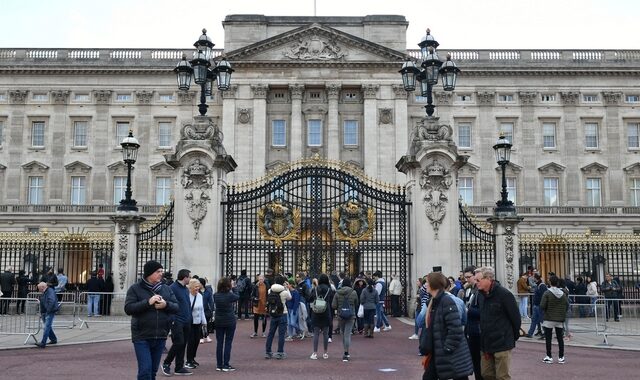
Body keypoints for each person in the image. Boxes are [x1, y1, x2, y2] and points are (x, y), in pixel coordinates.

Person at [124, 260, 178, 380]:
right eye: (158, 271)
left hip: (160, 335)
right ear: (149, 273)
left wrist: (166, 305)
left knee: (153, 371)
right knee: (145, 371)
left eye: (161, 271)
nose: (161, 274)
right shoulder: (135, 289)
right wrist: (148, 302)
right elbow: (128, 308)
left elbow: (176, 307)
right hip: (142, 336)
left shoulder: (166, 289)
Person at [419, 272, 473, 380]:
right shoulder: (433, 301)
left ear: (434, 285)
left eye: (428, 283)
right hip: (438, 350)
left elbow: (455, 328)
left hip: (448, 351)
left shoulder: (446, 301)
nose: (425, 285)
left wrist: (447, 348)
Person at [475, 266, 521, 380]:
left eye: (478, 280)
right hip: (486, 343)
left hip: (502, 342)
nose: (476, 283)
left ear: (488, 279)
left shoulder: (504, 294)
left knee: (502, 377)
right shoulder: (480, 295)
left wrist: (511, 337)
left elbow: (515, 318)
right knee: (486, 374)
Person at [162, 269, 193, 376]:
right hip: (177, 321)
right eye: (189, 277)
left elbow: (187, 304)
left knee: (183, 344)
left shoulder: (185, 289)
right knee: (178, 342)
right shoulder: (172, 288)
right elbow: (168, 305)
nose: (190, 278)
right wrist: (173, 319)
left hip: (186, 320)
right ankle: (166, 363)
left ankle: (179, 367)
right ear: (185, 278)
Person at [540, 275, 569, 364]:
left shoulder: (547, 293)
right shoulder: (563, 294)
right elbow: (567, 305)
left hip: (549, 318)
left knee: (548, 338)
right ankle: (561, 357)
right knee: (560, 338)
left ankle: (549, 356)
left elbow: (542, 305)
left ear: (550, 282)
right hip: (559, 319)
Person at [213, 277, 239, 371]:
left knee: (219, 343)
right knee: (228, 342)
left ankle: (219, 365)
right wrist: (234, 287)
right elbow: (237, 296)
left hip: (219, 320)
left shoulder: (216, 295)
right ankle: (226, 364)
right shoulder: (229, 295)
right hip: (229, 320)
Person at [462, 266, 483, 380]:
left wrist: (468, 310)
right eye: (465, 277)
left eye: (469, 277)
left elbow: (483, 311)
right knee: (474, 362)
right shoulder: (469, 289)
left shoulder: (480, 291)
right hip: (470, 330)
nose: (467, 280)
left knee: (480, 364)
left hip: (479, 331)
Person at [264, 275, 292, 359]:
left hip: (273, 313)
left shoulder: (270, 290)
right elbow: (290, 298)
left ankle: (268, 351)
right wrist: (287, 288)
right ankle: (280, 352)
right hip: (282, 313)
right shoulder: (284, 291)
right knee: (281, 334)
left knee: (271, 333)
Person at [331, 277, 358, 362]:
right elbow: (356, 303)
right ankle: (346, 352)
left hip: (341, 315)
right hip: (351, 315)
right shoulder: (353, 292)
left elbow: (333, 306)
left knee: (343, 333)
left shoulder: (338, 293)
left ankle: (345, 351)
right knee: (347, 334)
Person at [309, 274, 332, 360]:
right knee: (326, 333)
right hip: (326, 312)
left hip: (316, 312)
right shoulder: (329, 289)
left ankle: (315, 353)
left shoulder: (315, 289)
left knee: (316, 333)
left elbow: (309, 298)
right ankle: (325, 353)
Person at [185, 279, 206, 370]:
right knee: (191, 341)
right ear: (191, 287)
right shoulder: (188, 296)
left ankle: (193, 358)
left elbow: (202, 310)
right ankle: (188, 360)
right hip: (190, 322)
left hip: (198, 322)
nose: (198, 288)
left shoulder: (200, 296)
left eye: (198, 286)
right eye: (196, 286)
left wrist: (204, 321)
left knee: (197, 340)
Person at [526, 273, 547, 338]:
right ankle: (530, 333)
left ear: (536, 278)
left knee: (542, 320)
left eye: (534, 277)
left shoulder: (542, 286)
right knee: (534, 320)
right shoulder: (538, 285)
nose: (533, 279)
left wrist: (542, 305)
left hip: (540, 306)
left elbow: (543, 296)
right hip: (536, 305)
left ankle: (545, 333)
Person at [198, 277, 214, 344]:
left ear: (202, 284)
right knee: (200, 324)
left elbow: (211, 301)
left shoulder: (208, 291)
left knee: (206, 324)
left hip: (206, 310)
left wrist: (212, 310)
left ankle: (206, 336)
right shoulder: (197, 291)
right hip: (199, 310)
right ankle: (201, 337)